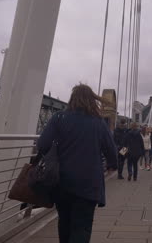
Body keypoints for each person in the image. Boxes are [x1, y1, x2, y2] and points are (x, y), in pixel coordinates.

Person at [37, 84, 117, 243]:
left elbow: (43, 145)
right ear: (92, 100)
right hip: (89, 183)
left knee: (64, 221)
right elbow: (110, 149)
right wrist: (112, 165)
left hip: (62, 181)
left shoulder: (59, 118)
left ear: (72, 99)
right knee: (82, 226)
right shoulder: (99, 123)